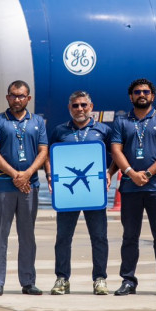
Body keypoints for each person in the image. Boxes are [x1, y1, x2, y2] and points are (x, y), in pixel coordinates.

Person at [110, 78, 156, 296]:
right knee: (130, 236)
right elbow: (116, 150)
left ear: (152, 95)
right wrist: (130, 172)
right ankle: (128, 280)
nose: (142, 95)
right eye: (137, 92)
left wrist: (148, 173)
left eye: (146, 92)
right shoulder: (122, 121)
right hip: (130, 187)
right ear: (131, 96)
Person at [45, 91, 114, 295]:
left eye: (84, 105)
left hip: (94, 192)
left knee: (99, 237)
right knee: (63, 237)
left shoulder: (103, 130)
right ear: (69, 108)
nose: (80, 109)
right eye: (75, 106)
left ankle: (100, 278)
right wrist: (50, 175)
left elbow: (117, 153)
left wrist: (110, 173)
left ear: (91, 107)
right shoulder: (59, 131)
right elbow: (47, 155)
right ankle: (62, 279)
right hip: (68, 193)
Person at [0, 80, 48, 296]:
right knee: (0, 234)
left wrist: (28, 174)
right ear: (7, 97)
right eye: (13, 95)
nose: (17, 99)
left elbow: (43, 151)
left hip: (30, 186)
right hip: (4, 185)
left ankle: (28, 281)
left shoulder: (37, 121)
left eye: (21, 96)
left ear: (28, 98)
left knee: (27, 235)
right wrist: (15, 175)